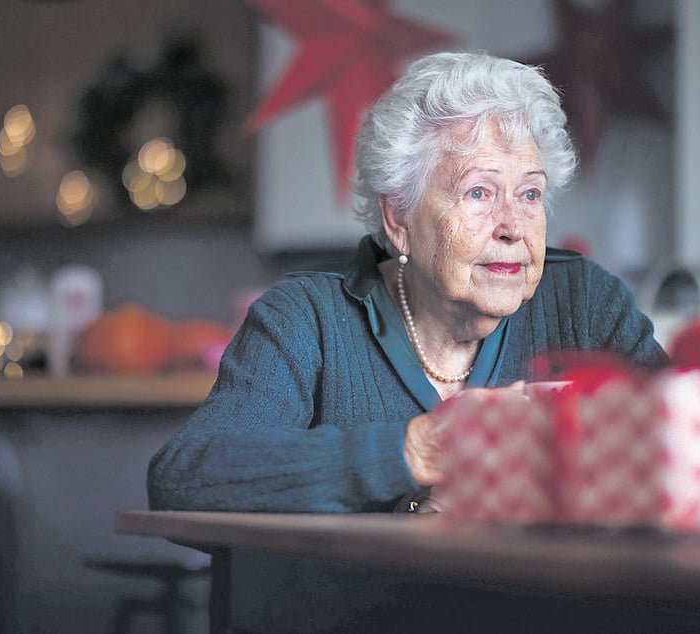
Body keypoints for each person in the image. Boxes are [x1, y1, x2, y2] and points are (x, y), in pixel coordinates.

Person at [147, 51, 667, 631]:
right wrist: (416, 451)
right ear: (398, 219)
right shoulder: (305, 320)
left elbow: (693, 453)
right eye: (478, 192)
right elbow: (185, 478)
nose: (514, 226)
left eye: (529, 195)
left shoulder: (585, 304)